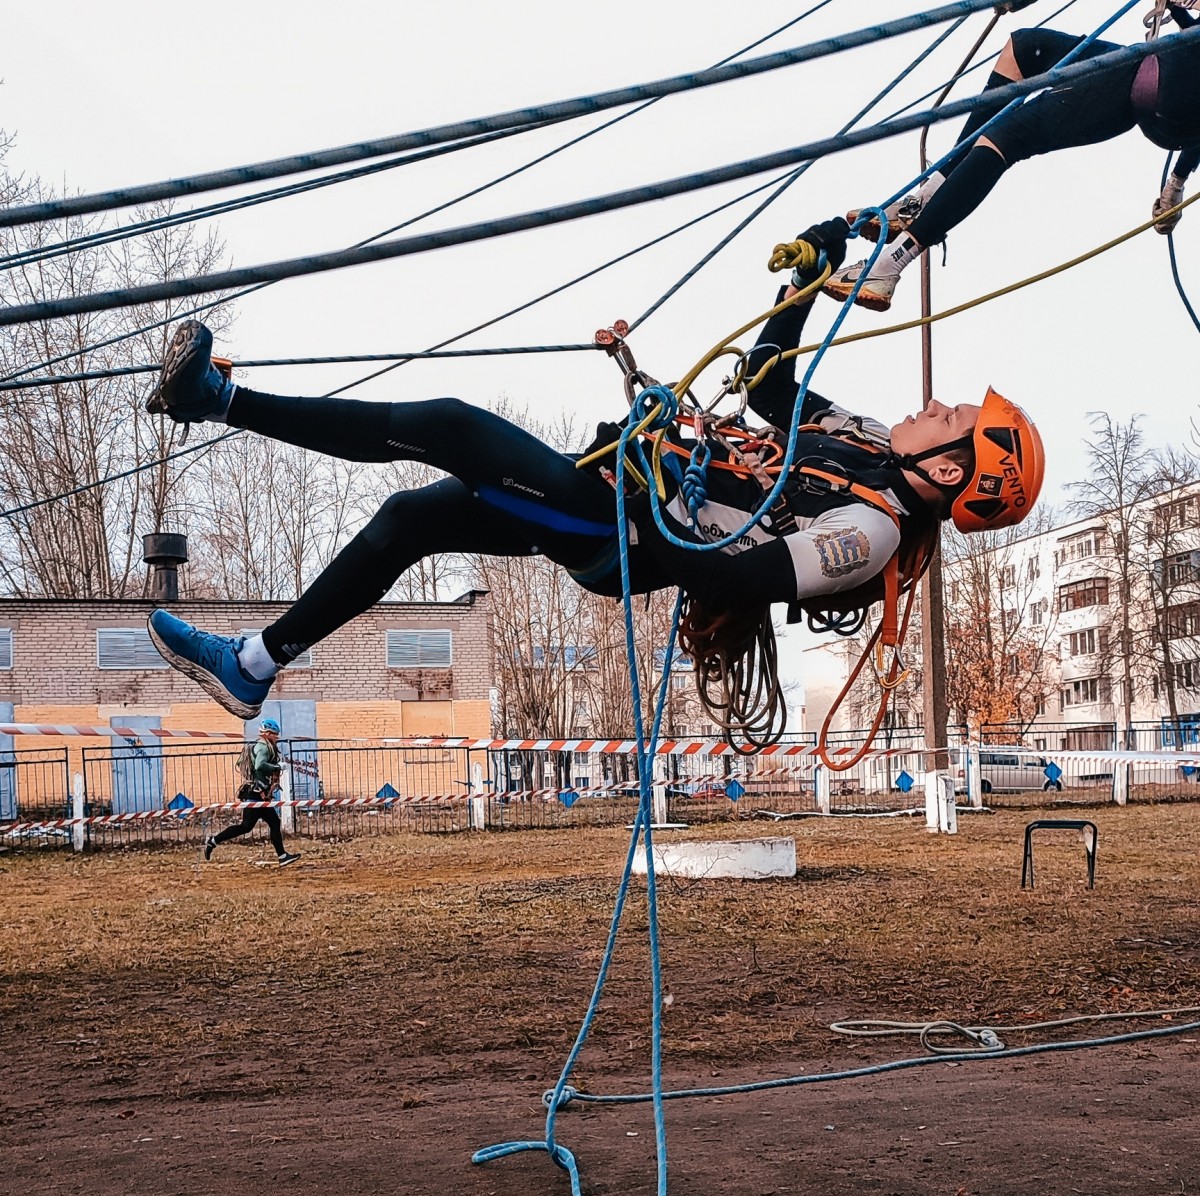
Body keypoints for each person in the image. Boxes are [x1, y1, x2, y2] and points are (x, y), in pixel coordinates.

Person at [142, 223, 1042, 727]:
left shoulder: (871, 529)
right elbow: (770, 386)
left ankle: (215, 399)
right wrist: (797, 292)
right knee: (409, 519)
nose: (937, 407)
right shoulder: (868, 439)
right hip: (615, 489)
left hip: (622, 530)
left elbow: (739, 573)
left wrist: (658, 506)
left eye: (953, 419)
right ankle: (255, 664)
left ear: (956, 468)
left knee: (448, 426)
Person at [820, 0, 1200, 313]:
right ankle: (932, 188)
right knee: (1023, 48)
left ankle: (891, 264)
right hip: (1164, 87)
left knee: (1010, 132)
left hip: (1165, 82)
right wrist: (1177, 181)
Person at [204, 720, 302, 867]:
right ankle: (213, 841)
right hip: (255, 794)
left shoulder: (264, 745)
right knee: (246, 826)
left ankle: (282, 856)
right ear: (267, 734)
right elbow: (260, 765)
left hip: (258, 793)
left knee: (270, 823)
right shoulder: (263, 747)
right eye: (275, 734)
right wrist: (276, 766)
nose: (277, 737)